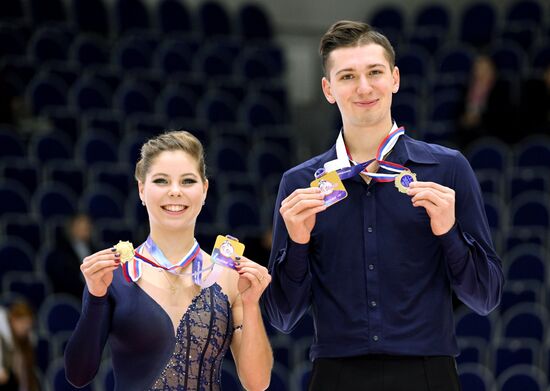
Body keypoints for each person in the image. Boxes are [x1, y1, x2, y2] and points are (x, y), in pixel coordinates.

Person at [262, 21, 503, 391]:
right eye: (347, 76)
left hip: (428, 374)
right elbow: (282, 316)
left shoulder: (447, 169)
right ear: (328, 89)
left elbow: (485, 297)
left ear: (394, 78)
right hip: (336, 376)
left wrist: (449, 233)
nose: (363, 87)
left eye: (374, 72)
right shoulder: (300, 185)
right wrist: (297, 243)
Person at [65, 130, 273, 390]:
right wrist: (95, 296)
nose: (175, 192)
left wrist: (252, 304)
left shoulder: (229, 276)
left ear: (205, 189)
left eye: (187, 181)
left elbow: (258, 383)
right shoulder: (113, 274)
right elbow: (78, 374)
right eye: (161, 181)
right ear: (142, 189)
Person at [455, 54, 516, 147]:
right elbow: (459, 112)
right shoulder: (467, 89)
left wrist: (479, 118)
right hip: (469, 134)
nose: (480, 71)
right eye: (477, 67)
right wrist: (465, 120)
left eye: (484, 68)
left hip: (492, 133)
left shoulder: (500, 88)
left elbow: (502, 114)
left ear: (492, 70)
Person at [48, 213, 97, 300]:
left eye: (87, 225)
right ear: (72, 227)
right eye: (81, 225)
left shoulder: (95, 249)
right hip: (72, 293)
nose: (86, 227)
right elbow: (63, 277)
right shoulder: (62, 250)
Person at [0, 301, 40, 391]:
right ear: (13, 319)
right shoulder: (3, 337)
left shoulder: (26, 342)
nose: (25, 330)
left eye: (28, 327)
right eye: (23, 324)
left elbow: (25, 378)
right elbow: (2, 376)